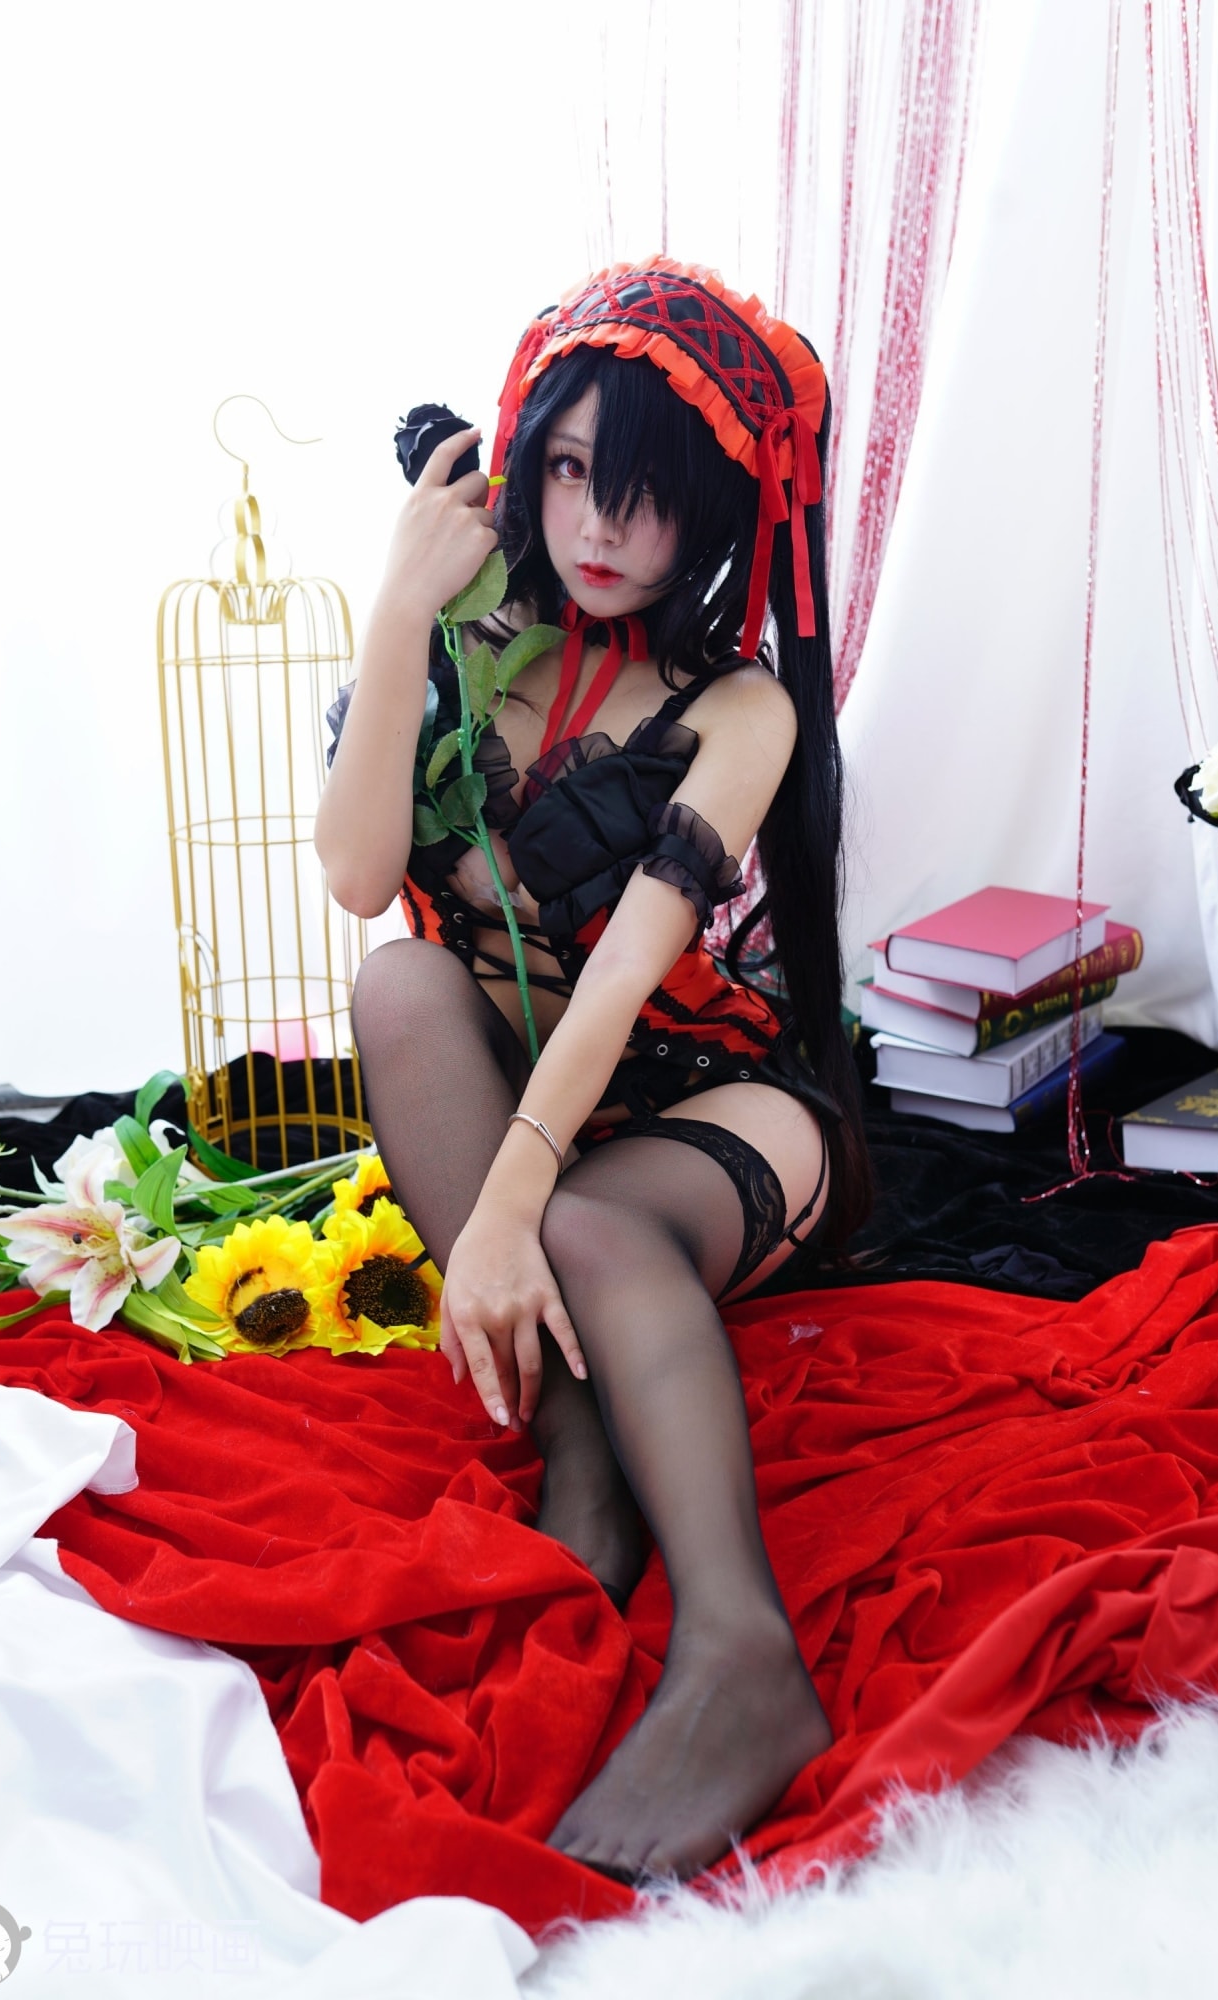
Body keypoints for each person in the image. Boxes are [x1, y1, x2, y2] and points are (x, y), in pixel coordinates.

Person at [315, 258, 872, 1884]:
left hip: (708, 1099)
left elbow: (627, 972)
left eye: (646, 490)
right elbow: (359, 877)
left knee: (585, 1223)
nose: (600, 525)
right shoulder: (460, 641)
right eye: (567, 471)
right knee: (402, 981)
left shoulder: (737, 707)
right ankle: (582, 1452)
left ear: (711, 513)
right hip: (514, 1084)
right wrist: (398, 607)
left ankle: (740, 1650)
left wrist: (506, 1212)